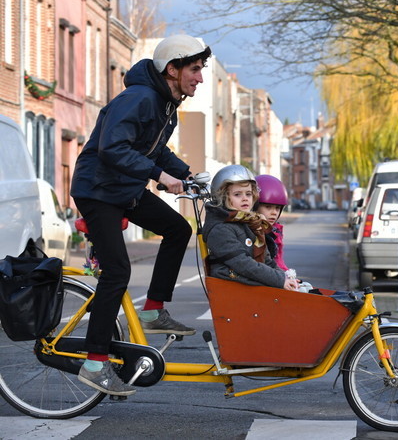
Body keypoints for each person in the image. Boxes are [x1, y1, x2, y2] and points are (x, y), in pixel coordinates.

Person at [70, 34, 212, 397]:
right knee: (118, 271)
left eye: (201, 70)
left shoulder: (166, 104)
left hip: (123, 187)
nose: (199, 77)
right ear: (172, 69)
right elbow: (112, 148)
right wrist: (159, 176)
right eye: (194, 69)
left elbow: (156, 150)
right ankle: (95, 362)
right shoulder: (139, 98)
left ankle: (152, 311)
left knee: (178, 229)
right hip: (99, 190)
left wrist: (188, 174)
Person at [202, 166, 299, 291]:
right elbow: (243, 264)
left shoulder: (251, 222)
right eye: (237, 194)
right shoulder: (220, 229)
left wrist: (284, 277)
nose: (245, 198)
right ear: (223, 197)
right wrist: (279, 281)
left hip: (246, 282)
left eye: (248, 194)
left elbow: (267, 261)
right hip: (231, 287)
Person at [253, 174, 289, 271]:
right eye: (268, 207)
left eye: (277, 208)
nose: (274, 213)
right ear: (255, 206)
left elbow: (278, 260)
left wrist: (286, 273)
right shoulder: (254, 231)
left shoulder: (276, 230)